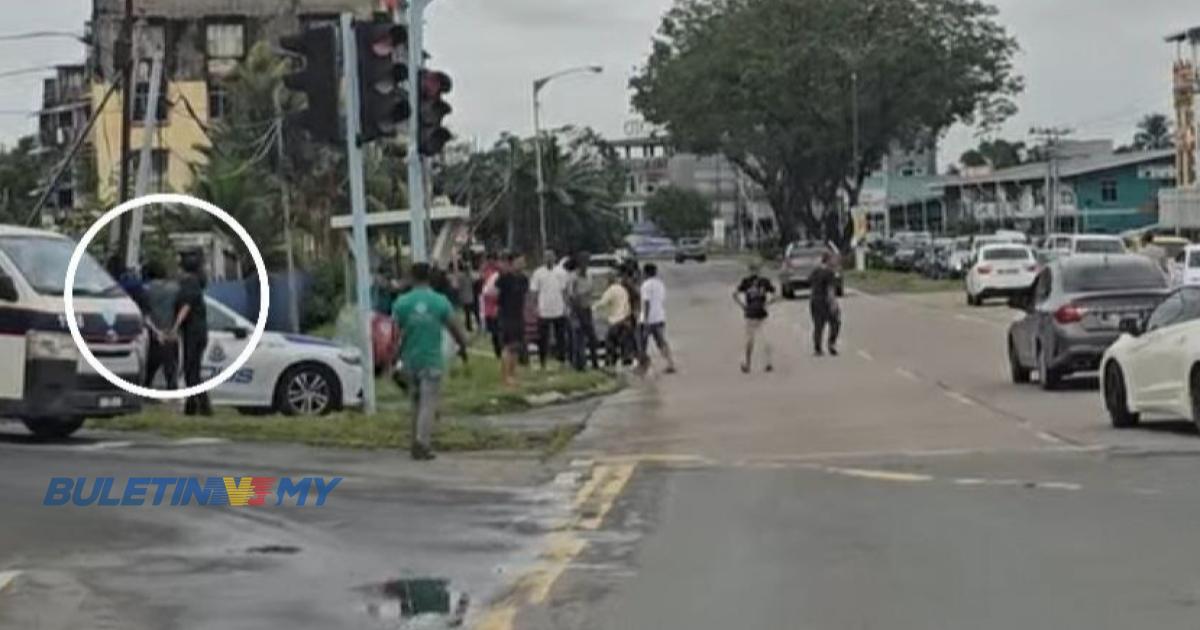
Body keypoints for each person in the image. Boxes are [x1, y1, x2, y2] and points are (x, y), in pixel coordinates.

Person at [392, 262, 469, 461]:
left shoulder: (402, 302)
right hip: (431, 359)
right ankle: (422, 444)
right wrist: (463, 345)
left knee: (415, 402)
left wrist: (393, 359)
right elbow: (454, 327)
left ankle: (414, 442)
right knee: (428, 403)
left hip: (409, 360)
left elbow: (394, 334)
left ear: (411, 277)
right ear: (429, 277)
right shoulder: (440, 301)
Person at [169, 250, 212, 416]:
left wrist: (175, 327)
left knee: (191, 370)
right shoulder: (195, 282)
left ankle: (202, 406)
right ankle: (193, 405)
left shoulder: (189, 283)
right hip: (197, 331)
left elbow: (186, 307)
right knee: (192, 370)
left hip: (193, 331)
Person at [142, 260, 179, 390]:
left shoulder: (145, 290)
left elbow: (144, 314)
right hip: (171, 333)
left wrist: (157, 332)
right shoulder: (175, 289)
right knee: (171, 369)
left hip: (153, 334)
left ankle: (145, 391)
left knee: (150, 369)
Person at [530, 249, 570, 369]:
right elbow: (534, 291)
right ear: (543, 259)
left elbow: (565, 291)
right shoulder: (538, 273)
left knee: (561, 337)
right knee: (542, 337)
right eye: (546, 257)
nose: (549, 259)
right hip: (544, 310)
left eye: (551, 257)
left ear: (555, 258)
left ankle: (562, 360)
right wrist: (535, 306)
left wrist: (566, 306)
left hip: (559, 309)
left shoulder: (561, 272)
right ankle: (543, 361)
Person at [734, 262, 777, 373]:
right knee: (749, 341)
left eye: (756, 270)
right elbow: (735, 294)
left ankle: (768, 363)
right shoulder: (746, 282)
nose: (754, 272)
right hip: (750, 316)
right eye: (752, 270)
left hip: (762, 315)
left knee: (766, 340)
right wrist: (743, 306)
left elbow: (775, 293)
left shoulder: (764, 282)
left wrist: (768, 303)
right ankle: (747, 364)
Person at [495, 253, 530, 387]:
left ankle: (512, 374)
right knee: (508, 346)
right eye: (519, 261)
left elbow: (526, 297)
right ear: (512, 262)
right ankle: (505, 376)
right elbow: (493, 293)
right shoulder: (504, 278)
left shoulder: (524, 279)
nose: (522, 264)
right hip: (506, 315)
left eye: (523, 262)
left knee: (517, 346)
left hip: (518, 315)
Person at [639, 263, 677, 374]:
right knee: (661, 342)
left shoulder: (645, 285)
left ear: (645, 273)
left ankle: (643, 366)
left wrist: (645, 319)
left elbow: (646, 302)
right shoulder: (660, 284)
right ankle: (670, 363)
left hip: (648, 319)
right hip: (659, 317)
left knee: (642, 343)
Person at [566, 257, 600, 370]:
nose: (585, 267)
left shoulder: (589, 276)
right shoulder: (573, 278)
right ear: (578, 265)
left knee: (592, 337)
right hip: (576, 310)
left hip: (587, 309)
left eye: (586, 265)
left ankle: (595, 363)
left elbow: (591, 291)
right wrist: (577, 305)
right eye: (583, 265)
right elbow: (571, 296)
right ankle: (579, 364)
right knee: (578, 338)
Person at [593, 273, 631, 369]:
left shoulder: (610, 290)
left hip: (614, 320)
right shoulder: (623, 290)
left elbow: (603, 302)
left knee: (610, 340)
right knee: (623, 341)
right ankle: (625, 358)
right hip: (624, 319)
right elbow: (627, 304)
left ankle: (611, 359)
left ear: (609, 281)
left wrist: (593, 307)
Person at [809, 251, 842, 356]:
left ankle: (817, 348)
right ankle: (831, 344)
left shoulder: (815, 271)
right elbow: (830, 290)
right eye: (833, 259)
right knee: (835, 322)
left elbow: (810, 282)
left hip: (814, 300)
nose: (835, 261)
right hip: (825, 301)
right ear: (828, 260)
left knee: (818, 325)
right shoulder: (829, 273)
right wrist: (834, 304)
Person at [480, 254, 503, 358]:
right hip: (489, 305)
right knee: (494, 332)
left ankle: (501, 350)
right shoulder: (486, 271)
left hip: (499, 305)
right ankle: (497, 352)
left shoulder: (500, 271)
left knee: (499, 330)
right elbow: (484, 286)